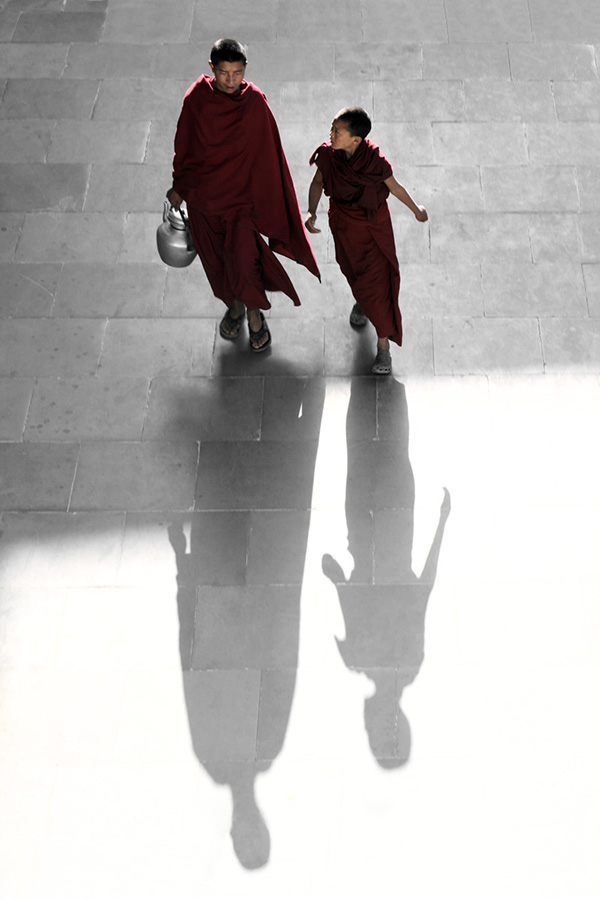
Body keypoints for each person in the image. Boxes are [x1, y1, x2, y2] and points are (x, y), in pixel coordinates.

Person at [167, 38, 320, 352]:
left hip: (242, 202)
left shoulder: (254, 102)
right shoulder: (197, 98)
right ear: (212, 69)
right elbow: (184, 143)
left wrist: (266, 199)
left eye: (237, 73)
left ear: (245, 69)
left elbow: (268, 154)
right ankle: (235, 306)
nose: (231, 80)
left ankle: (253, 313)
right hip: (203, 198)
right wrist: (179, 184)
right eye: (224, 73)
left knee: (244, 260)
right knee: (216, 261)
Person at [305, 107, 428, 374]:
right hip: (344, 227)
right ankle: (362, 301)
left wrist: (416, 210)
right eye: (332, 128)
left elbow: (394, 187)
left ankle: (383, 349)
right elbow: (318, 182)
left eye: (337, 131)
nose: (331, 134)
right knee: (353, 271)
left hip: (373, 230)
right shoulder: (329, 155)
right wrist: (311, 210)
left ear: (356, 140)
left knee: (378, 285)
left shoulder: (374, 162)